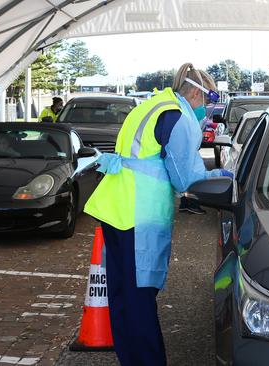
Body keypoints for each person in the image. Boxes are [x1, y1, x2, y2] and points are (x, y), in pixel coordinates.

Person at [83, 63, 232, 366]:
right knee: (139, 301)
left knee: (124, 298)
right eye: (207, 99)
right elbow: (184, 178)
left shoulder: (153, 103)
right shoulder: (176, 115)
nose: (207, 108)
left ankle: (132, 359)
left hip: (116, 207)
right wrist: (219, 174)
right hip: (138, 213)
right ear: (194, 93)